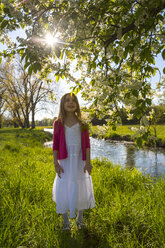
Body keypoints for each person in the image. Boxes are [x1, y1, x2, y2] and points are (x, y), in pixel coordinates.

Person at [52, 92, 95, 230]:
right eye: (67, 101)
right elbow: (55, 144)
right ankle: (65, 220)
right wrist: (55, 164)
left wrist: (88, 162)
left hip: (79, 160)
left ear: (77, 104)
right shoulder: (58, 123)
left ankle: (80, 218)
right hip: (64, 160)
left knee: (80, 187)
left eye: (73, 100)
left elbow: (87, 144)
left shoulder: (83, 123)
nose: (70, 103)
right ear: (62, 105)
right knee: (64, 187)